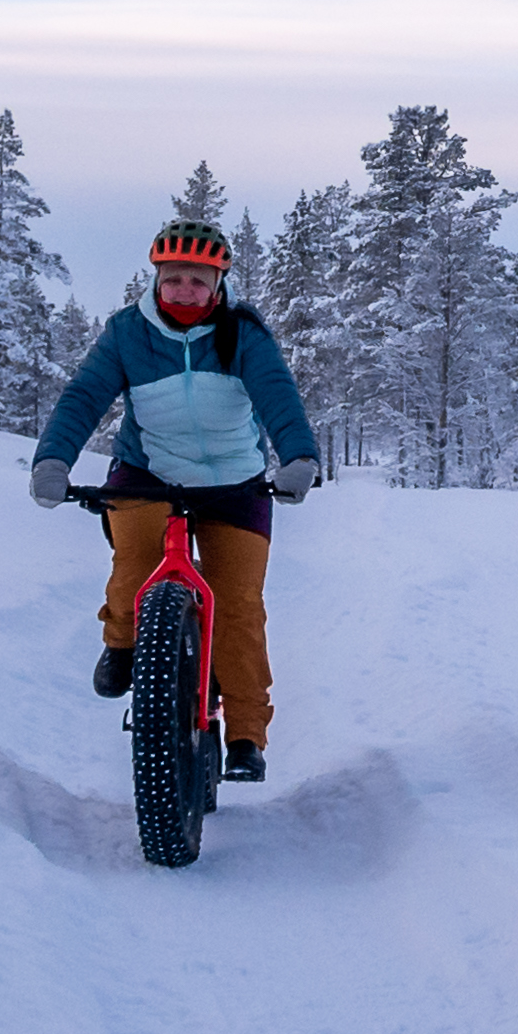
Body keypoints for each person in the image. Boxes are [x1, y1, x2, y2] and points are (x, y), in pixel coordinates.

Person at [31, 219, 326, 783]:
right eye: (174, 280)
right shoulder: (127, 334)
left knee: (238, 607)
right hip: (149, 472)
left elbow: (277, 397)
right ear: (156, 281)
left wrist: (298, 458)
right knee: (133, 567)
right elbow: (84, 396)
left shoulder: (244, 334)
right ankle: (121, 644)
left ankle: (244, 736)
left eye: (198, 280)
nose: (185, 291)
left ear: (218, 284)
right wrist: (53, 461)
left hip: (234, 483)